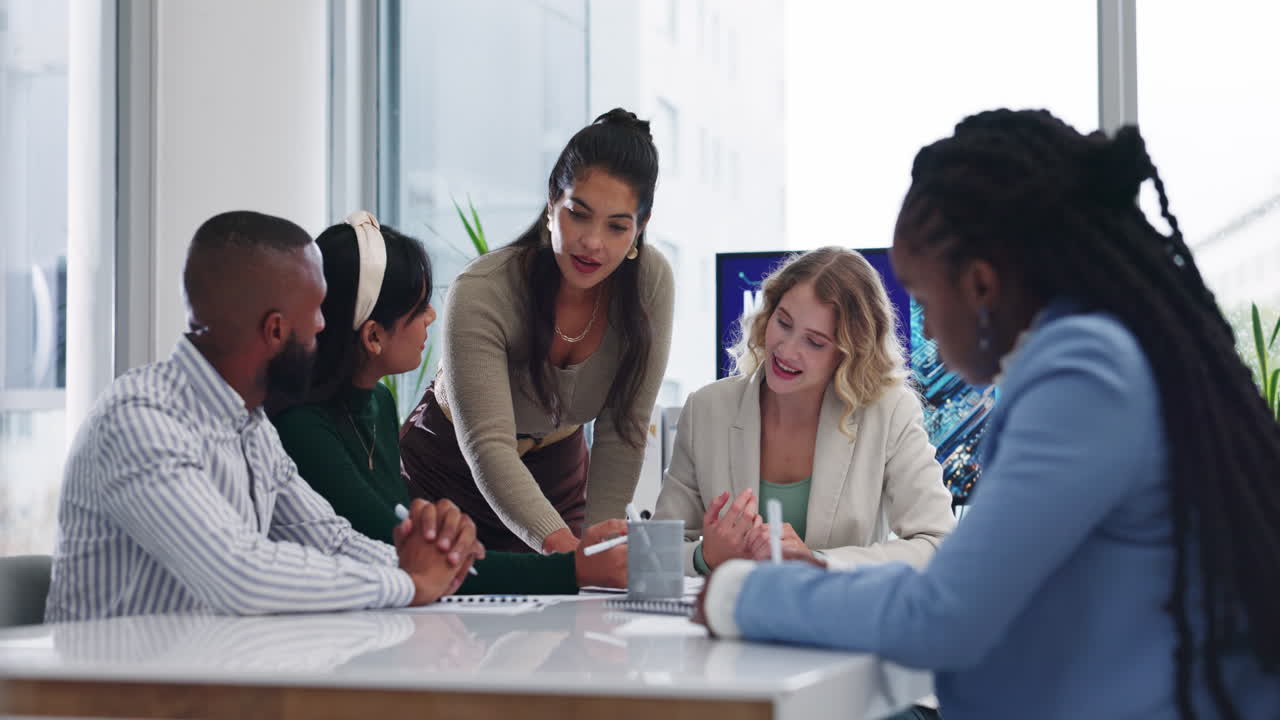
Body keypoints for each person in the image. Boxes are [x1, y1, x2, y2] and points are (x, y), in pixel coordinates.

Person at [695, 110, 1280, 718]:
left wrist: (741, 593)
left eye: (922, 299)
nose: (924, 333)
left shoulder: (1084, 370)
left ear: (979, 285)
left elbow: (944, 615)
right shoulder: (1105, 352)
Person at [45, 211, 484, 622]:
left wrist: (436, 564)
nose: (325, 327)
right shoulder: (141, 420)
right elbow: (238, 571)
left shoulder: (249, 426)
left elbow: (329, 539)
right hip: (116, 699)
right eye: (316, 311)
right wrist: (407, 581)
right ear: (275, 330)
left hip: (203, 687)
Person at [271, 211, 628, 592]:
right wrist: (572, 570)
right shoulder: (301, 427)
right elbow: (399, 554)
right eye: (418, 307)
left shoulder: (378, 403)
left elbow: (415, 547)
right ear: (373, 337)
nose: (431, 315)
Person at [400, 108, 675, 554]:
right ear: (551, 204)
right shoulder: (483, 291)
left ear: (640, 228)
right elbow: (487, 445)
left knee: (574, 615)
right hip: (448, 471)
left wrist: (594, 550)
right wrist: (569, 557)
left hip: (557, 473)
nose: (593, 242)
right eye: (578, 214)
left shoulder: (651, 283)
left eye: (617, 226)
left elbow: (622, 428)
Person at [654, 247, 955, 575]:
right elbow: (653, 550)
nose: (787, 350)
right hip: (727, 615)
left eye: (815, 342)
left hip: (835, 619)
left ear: (849, 355)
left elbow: (938, 542)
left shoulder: (890, 411)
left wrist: (820, 562)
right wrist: (705, 556)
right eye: (783, 323)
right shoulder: (707, 409)